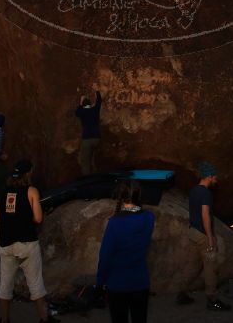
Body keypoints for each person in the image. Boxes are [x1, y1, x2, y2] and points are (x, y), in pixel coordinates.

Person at [0, 159, 59, 323]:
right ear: (28, 173)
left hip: (7, 244)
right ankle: (44, 319)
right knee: (36, 283)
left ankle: (4, 319)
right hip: (27, 243)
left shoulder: (2, 191)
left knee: (5, 285)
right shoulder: (31, 191)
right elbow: (38, 218)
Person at [96, 181, 155, 323]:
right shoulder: (149, 217)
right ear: (138, 195)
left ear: (121, 197)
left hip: (117, 283)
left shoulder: (115, 223)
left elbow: (105, 256)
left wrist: (100, 282)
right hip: (140, 280)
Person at [185, 161, 231, 311]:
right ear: (209, 176)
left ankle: (182, 293)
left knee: (193, 266)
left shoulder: (193, 191)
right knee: (210, 267)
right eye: (215, 176)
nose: (216, 179)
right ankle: (212, 300)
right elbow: (205, 215)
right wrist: (211, 237)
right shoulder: (206, 193)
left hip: (193, 232)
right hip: (203, 235)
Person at [75, 90, 102, 175]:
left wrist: (80, 101)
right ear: (90, 104)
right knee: (94, 159)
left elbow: (76, 112)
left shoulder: (82, 112)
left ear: (83, 105)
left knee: (85, 161)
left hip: (87, 139)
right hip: (97, 138)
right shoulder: (95, 110)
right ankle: (97, 175)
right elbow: (99, 101)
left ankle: (87, 178)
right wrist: (97, 92)